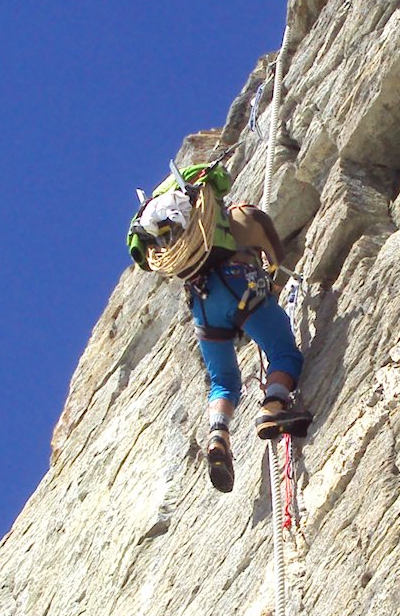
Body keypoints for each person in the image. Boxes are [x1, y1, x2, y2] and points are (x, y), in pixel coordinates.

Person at [127, 161, 312, 491]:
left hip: (201, 302)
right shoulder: (243, 215)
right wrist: (273, 284)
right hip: (240, 285)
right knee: (284, 355)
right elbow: (276, 262)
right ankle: (273, 407)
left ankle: (218, 435)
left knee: (223, 379)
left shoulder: (183, 249)